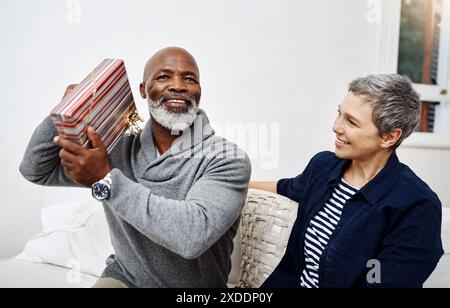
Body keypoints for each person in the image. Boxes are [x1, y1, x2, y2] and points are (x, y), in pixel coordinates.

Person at [20, 47, 252, 288]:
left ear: (199, 92)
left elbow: (192, 236)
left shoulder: (227, 158)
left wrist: (106, 178)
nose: (178, 86)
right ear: (143, 90)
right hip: (125, 279)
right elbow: (36, 169)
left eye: (189, 79)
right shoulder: (116, 148)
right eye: (163, 76)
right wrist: (62, 112)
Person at [251, 74, 444, 288]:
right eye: (339, 114)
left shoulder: (417, 206)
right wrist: (230, 181)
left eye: (351, 122)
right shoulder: (324, 166)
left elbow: (384, 282)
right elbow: (288, 187)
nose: (336, 126)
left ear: (389, 137)